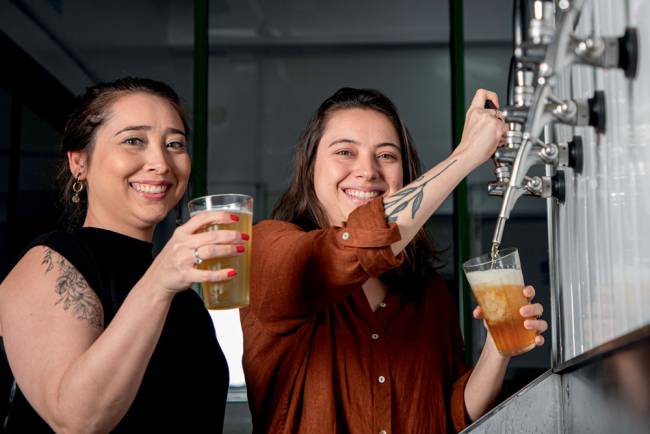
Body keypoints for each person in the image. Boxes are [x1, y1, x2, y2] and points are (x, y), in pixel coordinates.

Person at [241, 87, 548, 433]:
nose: (367, 171)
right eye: (345, 152)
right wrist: (465, 156)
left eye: (386, 156)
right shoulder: (269, 250)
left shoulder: (426, 290)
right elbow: (359, 245)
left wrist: (498, 347)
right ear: (310, 167)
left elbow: (450, 416)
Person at [0, 77, 244, 433]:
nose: (160, 163)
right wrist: (158, 283)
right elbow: (77, 421)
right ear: (78, 162)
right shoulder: (49, 261)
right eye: (134, 141)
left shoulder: (185, 302)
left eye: (175, 144)